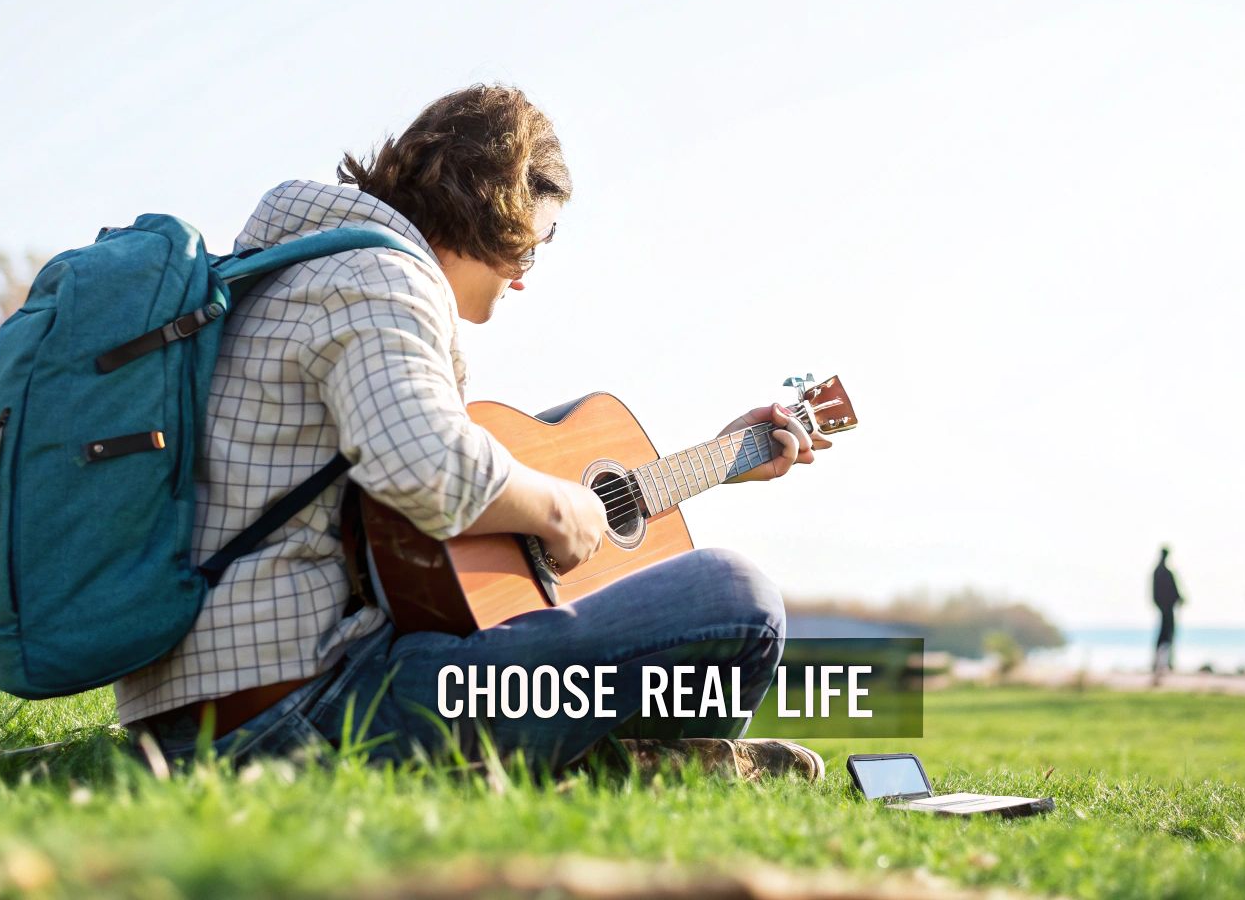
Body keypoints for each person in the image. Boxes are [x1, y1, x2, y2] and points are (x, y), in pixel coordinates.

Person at [115, 86, 827, 779]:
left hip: (215, 705)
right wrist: (561, 507)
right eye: (530, 247)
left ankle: (635, 762)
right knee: (736, 594)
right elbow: (428, 468)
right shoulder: (378, 278)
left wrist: (723, 458)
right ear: (497, 208)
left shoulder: (291, 266)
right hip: (299, 713)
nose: (521, 278)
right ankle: (640, 762)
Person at [1150, 545, 1181, 680]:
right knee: (1166, 636)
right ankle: (1162, 663)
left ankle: (1163, 663)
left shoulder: (1158, 571)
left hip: (1165, 608)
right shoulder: (1163, 572)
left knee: (1165, 636)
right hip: (1166, 609)